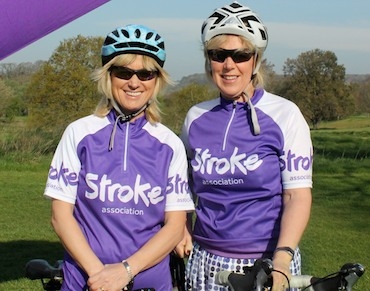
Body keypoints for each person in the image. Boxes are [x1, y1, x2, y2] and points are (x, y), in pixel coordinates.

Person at [44, 24, 194, 291]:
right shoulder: (79, 133)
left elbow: (175, 226)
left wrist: (125, 271)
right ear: (108, 75)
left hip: (148, 282)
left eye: (146, 73)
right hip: (86, 280)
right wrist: (99, 275)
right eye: (124, 72)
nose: (134, 82)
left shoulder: (170, 144)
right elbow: (60, 215)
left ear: (157, 80)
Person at [175, 2, 313, 291]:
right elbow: (182, 186)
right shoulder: (196, 117)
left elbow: (296, 196)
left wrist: (284, 258)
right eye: (218, 55)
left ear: (255, 60)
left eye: (240, 55)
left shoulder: (285, 115)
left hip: (269, 262)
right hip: (206, 260)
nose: (229, 65)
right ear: (208, 59)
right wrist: (183, 226)